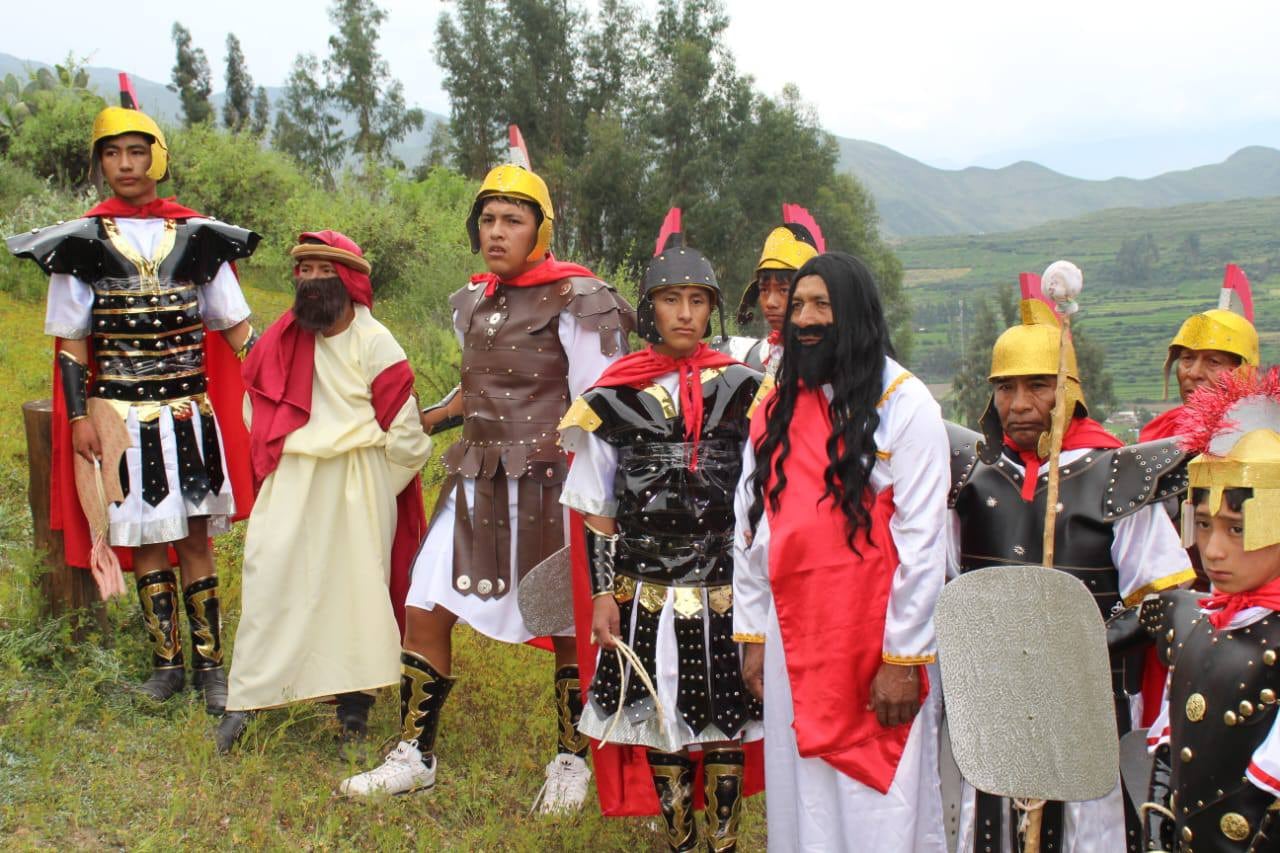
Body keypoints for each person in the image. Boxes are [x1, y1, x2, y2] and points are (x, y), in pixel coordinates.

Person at [340, 138, 634, 809]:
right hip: (476, 480)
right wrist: (421, 420)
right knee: (424, 605)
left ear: (540, 230)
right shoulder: (474, 299)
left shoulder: (580, 299)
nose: (496, 232)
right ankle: (414, 753)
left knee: (566, 621)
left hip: (553, 487)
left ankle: (570, 762)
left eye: (513, 220)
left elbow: (599, 408)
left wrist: (602, 507)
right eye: (488, 219)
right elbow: (477, 391)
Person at [5, 102, 258, 714]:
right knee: (145, 540)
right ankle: (166, 664)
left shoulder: (198, 238)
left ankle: (210, 667)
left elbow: (236, 330)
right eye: (113, 153)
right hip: (120, 419)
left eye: (137, 152)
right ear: (101, 163)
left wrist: (287, 380)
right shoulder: (81, 243)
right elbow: (72, 345)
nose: (125, 164)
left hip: (188, 414)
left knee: (194, 538)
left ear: (156, 159)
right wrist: (77, 419)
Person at [945, 275, 1196, 852]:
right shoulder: (971, 478)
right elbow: (949, 588)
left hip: (1091, 697)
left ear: (1069, 390)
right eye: (1005, 388)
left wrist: (1071, 648)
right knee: (993, 826)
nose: (1019, 404)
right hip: (994, 699)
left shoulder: (1114, 477)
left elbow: (1163, 599)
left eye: (1038, 386)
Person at [559, 209, 762, 851]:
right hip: (642, 584)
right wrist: (601, 594)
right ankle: (682, 843)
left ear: (712, 310)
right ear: (650, 309)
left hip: (726, 582)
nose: (685, 313)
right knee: (657, 713)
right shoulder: (611, 397)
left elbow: (764, 495)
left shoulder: (747, 391)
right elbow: (596, 504)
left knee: (728, 716)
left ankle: (724, 843)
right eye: (672, 300)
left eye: (697, 301)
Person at [734, 251, 949, 851]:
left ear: (854, 313)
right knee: (800, 799)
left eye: (821, 305)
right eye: (798, 305)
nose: (804, 318)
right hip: (791, 639)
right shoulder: (774, 409)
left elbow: (923, 542)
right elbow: (750, 529)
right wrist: (752, 633)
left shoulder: (906, 404)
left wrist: (902, 659)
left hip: (873, 647)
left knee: (879, 810)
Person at [213, 231, 432, 753]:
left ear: (348, 280)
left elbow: (406, 433)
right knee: (270, 581)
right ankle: (248, 700)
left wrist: (376, 486)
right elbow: (255, 408)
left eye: (324, 270)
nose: (311, 280)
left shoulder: (375, 341)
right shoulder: (281, 339)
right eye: (305, 270)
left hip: (358, 480)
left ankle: (353, 705)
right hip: (292, 477)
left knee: (354, 592)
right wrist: (283, 458)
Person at [1140, 366, 1280, 851]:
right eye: (1203, 524)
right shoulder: (1192, 621)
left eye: (1237, 529)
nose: (1213, 551)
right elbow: (1170, 755)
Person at [1139, 263, 1258, 443]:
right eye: (1187, 358)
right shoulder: (1160, 432)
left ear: (1243, 372)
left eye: (1213, 362)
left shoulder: (1262, 436)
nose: (1194, 373)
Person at [715, 204, 823, 376]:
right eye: (764, 290)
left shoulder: (836, 359)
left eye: (784, 290)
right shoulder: (751, 356)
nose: (771, 303)